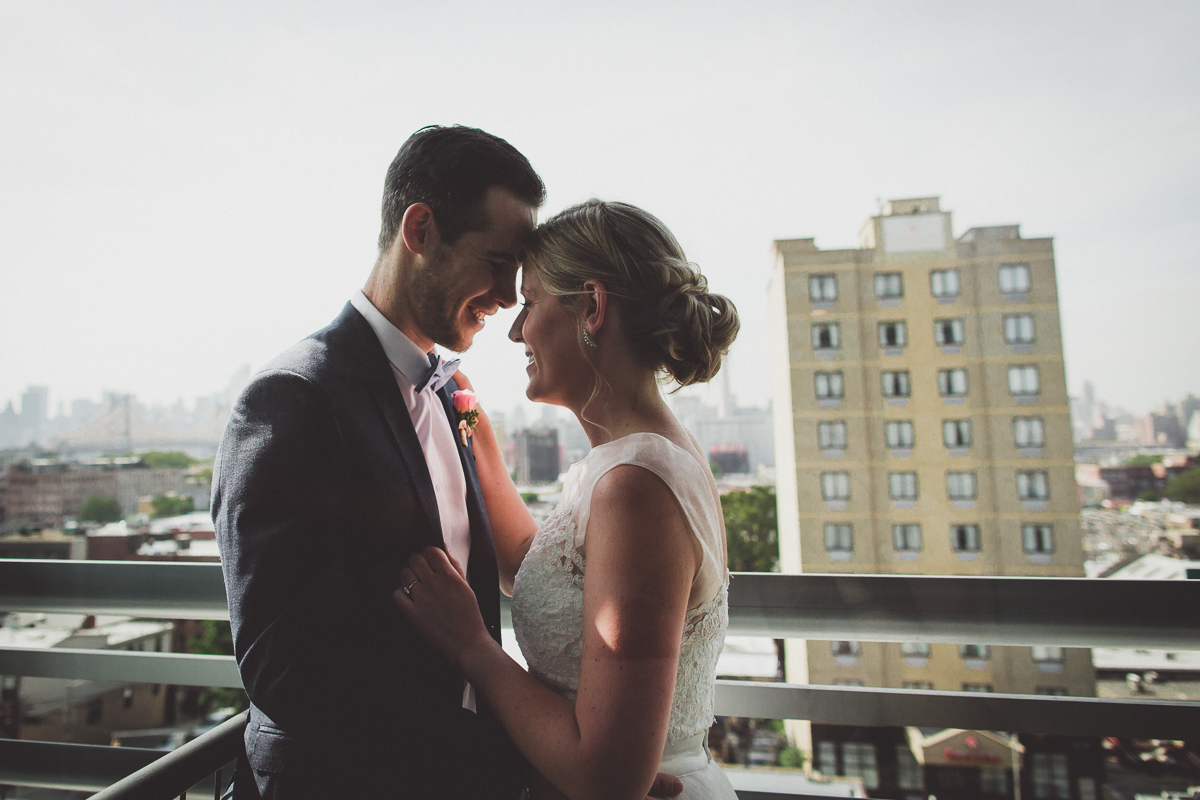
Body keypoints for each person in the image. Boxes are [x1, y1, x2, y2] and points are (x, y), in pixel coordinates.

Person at [212, 125, 544, 799]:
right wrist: (530, 763)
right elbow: (287, 672)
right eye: (498, 262)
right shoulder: (292, 399)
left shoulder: (459, 396)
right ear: (419, 229)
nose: (511, 296)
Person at [395, 199, 741, 800]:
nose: (514, 328)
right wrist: (474, 432)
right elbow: (547, 568)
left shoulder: (636, 487)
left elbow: (608, 781)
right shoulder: (641, 457)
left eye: (529, 303)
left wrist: (472, 646)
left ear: (591, 307)